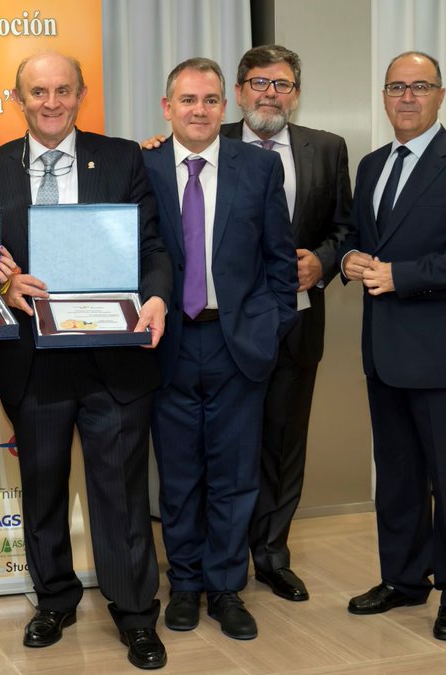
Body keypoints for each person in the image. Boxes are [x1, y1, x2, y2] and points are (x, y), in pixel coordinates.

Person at [0, 52, 172, 670]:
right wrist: (1, 288)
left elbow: (154, 246)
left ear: (82, 94)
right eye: (38, 92)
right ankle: (54, 599)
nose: (51, 102)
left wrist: (159, 295)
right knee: (42, 489)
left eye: (63, 90)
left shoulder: (122, 158)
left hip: (113, 356)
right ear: (18, 98)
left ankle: (136, 613)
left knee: (121, 494)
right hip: (31, 360)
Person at [340, 51, 446, 641]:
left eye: (419, 87)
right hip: (384, 352)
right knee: (398, 478)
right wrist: (348, 258)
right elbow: (361, 238)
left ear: (441, 95)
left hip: (445, 356)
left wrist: (404, 275)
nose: (406, 97)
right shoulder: (370, 166)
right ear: (384, 96)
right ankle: (404, 580)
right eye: (396, 87)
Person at [142, 57, 297, 641]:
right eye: (187, 100)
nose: (199, 110)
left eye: (209, 100)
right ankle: (183, 584)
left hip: (238, 346)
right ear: (167, 107)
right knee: (179, 476)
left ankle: (226, 586)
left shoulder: (257, 169)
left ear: (224, 106)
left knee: (234, 477)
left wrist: (271, 325)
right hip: (168, 346)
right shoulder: (144, 165)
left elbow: (281, 262)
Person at [228, 45, 353, 602]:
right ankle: (221, 557)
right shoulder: (206, 138)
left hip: (296, 324)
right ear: (239, 92)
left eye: (281, 85)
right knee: (227, 444)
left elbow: (347, 229)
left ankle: (273, 555)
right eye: (258, 83)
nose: (269, 94)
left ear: (296, 94)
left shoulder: (326, 149)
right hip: (222, 327)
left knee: (283, 444)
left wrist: (322, 261)